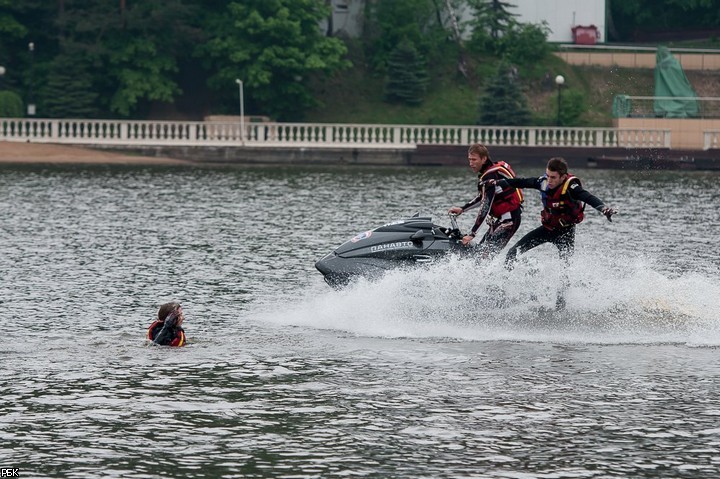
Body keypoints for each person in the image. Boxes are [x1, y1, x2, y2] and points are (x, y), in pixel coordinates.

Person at [487, 157, 617, 310]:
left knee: (564, 272)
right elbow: (522, 182)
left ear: (563, 177)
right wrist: (500, 182)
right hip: (547, 229)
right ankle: (502, 294)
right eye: (548, 175)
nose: (549, 180)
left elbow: (588, 197)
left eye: (553, 177)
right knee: (512, 253)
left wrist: (603, 209)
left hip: (565, 234)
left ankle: (559, 308)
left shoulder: (572, 187)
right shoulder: (543, 182)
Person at [448, 143, 524, 258]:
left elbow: (485, 206)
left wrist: (472, 234)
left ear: (484, 159)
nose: (471, 163)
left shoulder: (490, 177)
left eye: (474, 160)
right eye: (469, 160)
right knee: (479, 254)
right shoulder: (490, 172)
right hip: (501, 220)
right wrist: (462, 209)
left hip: (509, 221)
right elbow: (482, 198)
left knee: (484, 257)